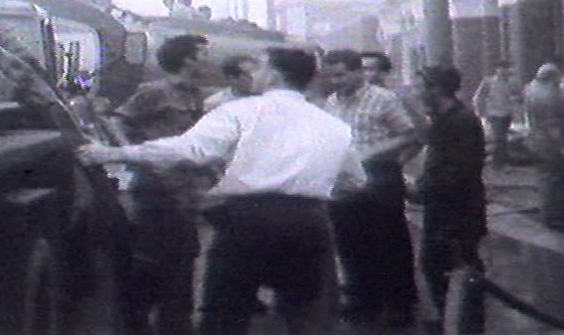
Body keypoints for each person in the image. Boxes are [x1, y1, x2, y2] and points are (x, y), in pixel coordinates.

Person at [80, 47, 368, 335]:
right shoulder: (332, 125)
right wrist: (311, 192)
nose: (254, 73)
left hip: (247, 220)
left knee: (225, 311)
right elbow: (354, 180)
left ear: (274, 77)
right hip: (309, 221)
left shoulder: (241, 111)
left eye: (259, 67)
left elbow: (190, 150)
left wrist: (112, 154)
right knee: (306, 311)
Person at [105, 34, 209, 335]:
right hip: (156, 191)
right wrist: (133, 155)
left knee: (184, 261)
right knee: (151, 263)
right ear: (186, 59)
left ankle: (175, 325)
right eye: (202, 54)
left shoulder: (194, 94)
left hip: (185, 192)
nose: (206, 59)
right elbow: (116, 122)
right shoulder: (154, 91)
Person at [322, 49, 420, 327]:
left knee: (389, 243)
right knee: (350, 242)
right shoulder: (332, 102)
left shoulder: (383, 99)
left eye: (341, 75)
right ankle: (363, 298)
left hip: (379, 179)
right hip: (344, 182)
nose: (336, 82)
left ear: (357, 72)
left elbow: (409, 134)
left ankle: (399, 304)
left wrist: (372, 154)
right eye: (331, 77)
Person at [418, 65, 487, 335]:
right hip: (443, 208)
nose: (419, 92)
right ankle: (451, 319)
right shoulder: (444, 118)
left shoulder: (461, 121)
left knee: (458, 267)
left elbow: (460, 170)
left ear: (438, 89)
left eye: (423, 86)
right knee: (435, 265)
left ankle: (465, 325)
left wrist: (423, 189)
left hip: (458, 210)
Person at [524, 63, 564, 230]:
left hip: (536, 138)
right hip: (552, 141)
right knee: (555, 178)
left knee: (546, 177)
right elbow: (553, 125)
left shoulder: (531, 89)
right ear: (552, 77)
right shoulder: (549, 95)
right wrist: (562, 146)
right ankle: (555, 216)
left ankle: (553, 213)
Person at [472, 60, 522, 169]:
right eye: (502, 68)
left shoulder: (512, 83)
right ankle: (498, 164)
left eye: (507, 68)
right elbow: (478, 96)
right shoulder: (488, 82)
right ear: (497, 69)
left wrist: (516, 100)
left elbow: (520, 96)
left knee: (503, 138)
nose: (504, 70)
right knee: (500, 138)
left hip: (507, 113)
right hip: (493, 113)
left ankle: (502, 161)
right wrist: (480, 111)